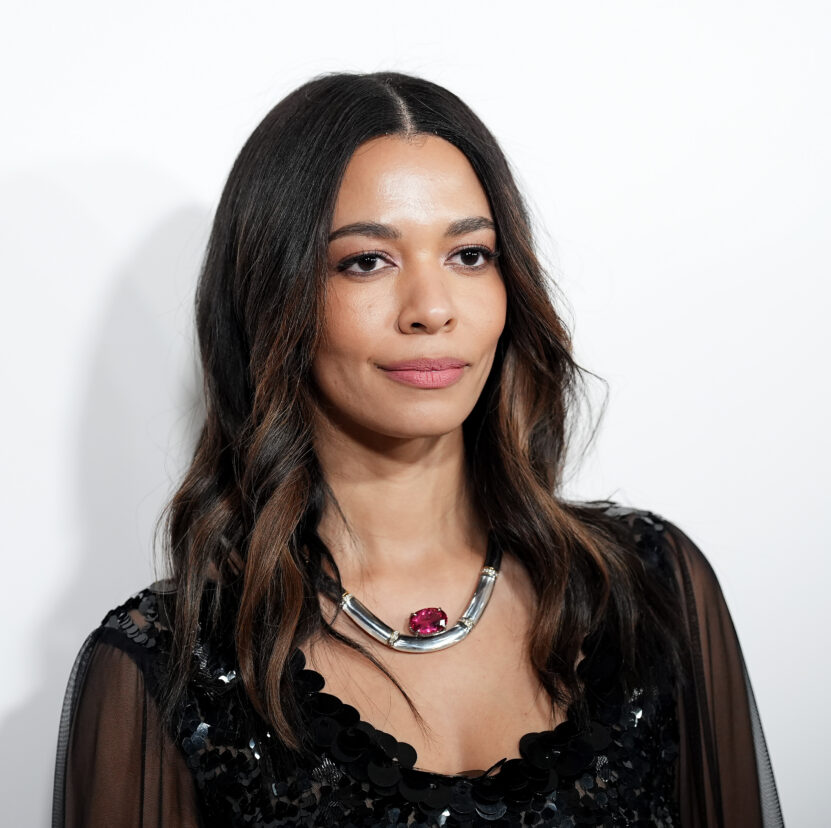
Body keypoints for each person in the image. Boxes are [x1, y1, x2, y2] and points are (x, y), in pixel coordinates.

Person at [52, 71, 783, 828]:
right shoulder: (167, 676)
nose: (433, 309)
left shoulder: (651, 589)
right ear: (273, 296)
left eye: (469, 255)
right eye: (367, 261)